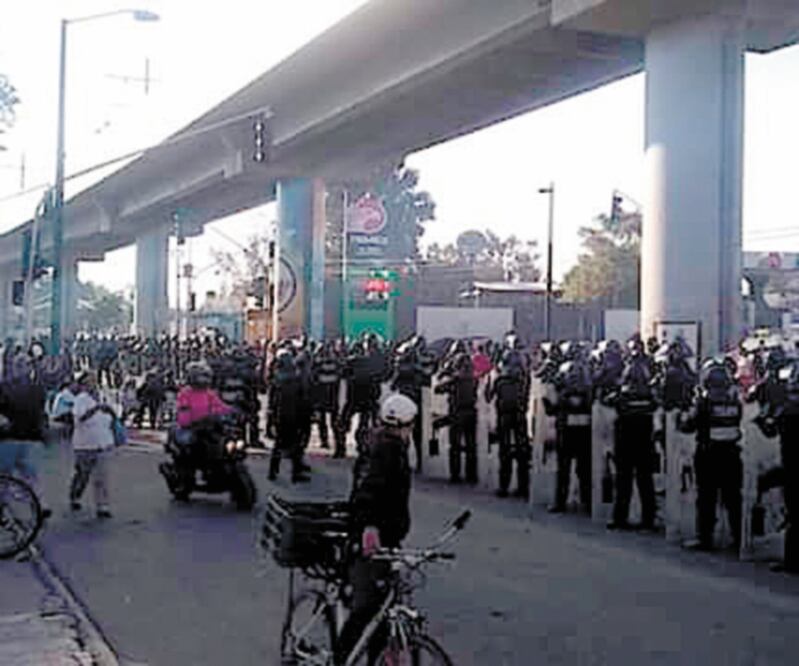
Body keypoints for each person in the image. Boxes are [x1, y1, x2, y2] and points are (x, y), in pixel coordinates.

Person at [334, 393, 418, 666]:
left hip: (386, 536)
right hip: (371, 539)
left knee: (383, 609)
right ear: (407, 424)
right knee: (366, 609)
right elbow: (367, 491)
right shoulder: (386, 450)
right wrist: (369, 527)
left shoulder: (381, 443)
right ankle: (340, 660)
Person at [678, 359, 743, 551]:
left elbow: (689, 426)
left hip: (708, 455)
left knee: (707, 498)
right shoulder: (734, 402)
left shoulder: (705, 403)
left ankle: (705, 538)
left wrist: (681, 419)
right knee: (733, 499)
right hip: (731, 454)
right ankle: (738, 538)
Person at [605, 354, 659, 531]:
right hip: (644, 444)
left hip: (624, 445)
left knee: (623, 483)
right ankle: (648, 520)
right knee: (646, 483)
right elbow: (656, 407)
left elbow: (607, 401)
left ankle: (620, 518)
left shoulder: (622, 396)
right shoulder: (650, 397)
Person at [0, 355, 50, 517]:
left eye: (25, 364)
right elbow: (41, 413)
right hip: (23, 438)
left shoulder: (5, 386)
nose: (22, 368)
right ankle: (39, 507)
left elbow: (41, 413)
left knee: (10, 476)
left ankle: (6, 508)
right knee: (28, 476)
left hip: (14, 438)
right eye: (20, 364)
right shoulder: (37, 388)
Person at [69, 371, 117, 518]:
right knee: (82, 475)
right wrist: (96, 409)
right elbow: (80, 418)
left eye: (94, 381)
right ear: (83, 385)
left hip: (103, 443)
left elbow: (112, 416)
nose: (93, 384)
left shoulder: (103, 397)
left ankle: (102, 506)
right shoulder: (80, 400)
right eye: (89, 382)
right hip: (84, 445)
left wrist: (110, 412)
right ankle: (75, 496)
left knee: (101, 477)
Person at [436, 353, 478, 485]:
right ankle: (471, 475)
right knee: (471, 446)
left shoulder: (455, 379)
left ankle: (455, 475)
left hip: (457, 412)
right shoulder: (473, 378)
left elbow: (438, 389)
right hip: (471, 412)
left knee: (455, 446)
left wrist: (446, 371)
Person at [267, 351, 309, 483]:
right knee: (295, 446)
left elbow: (272, 402)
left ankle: (272, 472)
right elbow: (303, 400)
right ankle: (296, 474)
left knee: (278, 445)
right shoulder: (296, 379)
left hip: (281, 416)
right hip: (294, 416)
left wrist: (272, 418)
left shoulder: (276, 380)